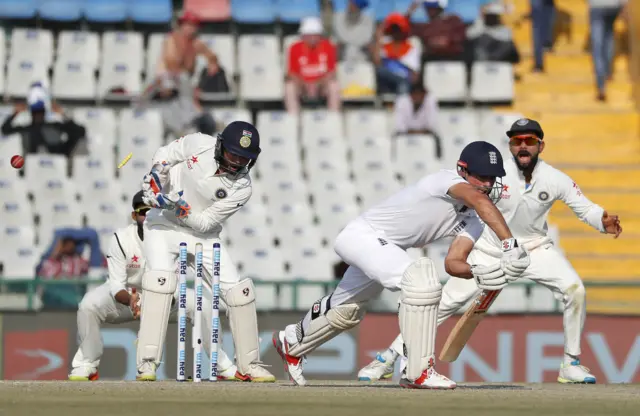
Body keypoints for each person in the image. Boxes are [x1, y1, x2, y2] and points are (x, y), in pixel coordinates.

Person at [358, 118, 623, 384]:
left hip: (534, 248)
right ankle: (387, 359)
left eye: (529, 141)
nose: (522, 146)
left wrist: (602, 221)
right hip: (489, 250)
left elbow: (585, 208)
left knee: (575, 289)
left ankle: (571, 363)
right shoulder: (495, 174)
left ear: (540, 146)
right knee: (441, 305)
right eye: (516, 141)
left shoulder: (555, 179)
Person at [272, 141, 531, 389]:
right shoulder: (447, 181)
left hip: (386, 248)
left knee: (347, 310)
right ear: (462, 171)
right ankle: (417, 370)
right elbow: (481, 201)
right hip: (363, 235)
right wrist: (509, 244)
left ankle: (292, 342)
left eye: (492, 178)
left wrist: (480, 272)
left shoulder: (474, 218)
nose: (487, 184)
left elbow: (453, 263)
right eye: (481, 177)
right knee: (421, 283)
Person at [136, 122, 275, 383]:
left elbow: (206, 223)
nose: (236, 162)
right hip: (162, 227)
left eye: (244, 158)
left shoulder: (242, 187)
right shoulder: (200, 143)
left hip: (203, 236)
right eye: (233, 154)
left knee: (239, 293)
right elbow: (166, 153)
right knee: (160, 283)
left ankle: (250, 364)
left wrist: (175, 206)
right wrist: (157, 176)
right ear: (221, 146)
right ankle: (147, 363)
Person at [67, 192, 239, 381]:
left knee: (203, 306)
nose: (148, 216)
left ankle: (220, 364)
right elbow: (116, 285)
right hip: (125, 298)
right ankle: (87, 363)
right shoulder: (121, 238)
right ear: (134, 216)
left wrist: (151, 302)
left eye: (153, 211)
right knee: (88, 305)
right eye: (143, 212)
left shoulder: (174, 238)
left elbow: (174, 284)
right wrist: (131, 300)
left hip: (164, 297)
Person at [1, 83, 86, 156]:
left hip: (56, 161)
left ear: (45, 112)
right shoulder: (27, 129)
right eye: (35, 112)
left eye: (41, 112)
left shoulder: (55, 126)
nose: (38, 115)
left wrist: (63, 114)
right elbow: (5, 129)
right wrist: (15, 113)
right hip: (32, 166)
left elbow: (80, 132)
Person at [285, 17, 341, 113]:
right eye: (308, 35)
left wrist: (318, 84)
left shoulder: (329, 46)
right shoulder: (295, 48)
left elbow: (332, 72)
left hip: (322, 86)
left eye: (315, 35)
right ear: (303, 35)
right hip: (302, 85)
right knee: (289, 87)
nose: (312, 38)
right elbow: (292, 73)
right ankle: (294, 118)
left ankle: (333, 117)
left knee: (334, 86)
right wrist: (304, 84)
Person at [588, 0, 628, 101]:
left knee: (598, 45)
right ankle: (607, 70)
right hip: (613, 5)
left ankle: (601, 85)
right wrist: (624, 4)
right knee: (609, 36)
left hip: (597, 5)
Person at [372, 13, 421, 95]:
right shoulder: (384, 44)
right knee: (380, 71)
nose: (396, 32)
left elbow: (415, 74)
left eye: (398, 29)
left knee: (403, 85)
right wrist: (378, 39)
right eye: (393, 29)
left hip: (405, 81)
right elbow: (377, 63)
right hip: (386, 80)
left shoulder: (412, 47)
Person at [393, 82, 442, 158]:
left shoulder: (430, 101)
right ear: (410, 95)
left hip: (425, 134)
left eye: (420, 95)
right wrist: (416, 132)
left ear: (424, 95)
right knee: (394, 138)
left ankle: (436, 162)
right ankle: (395, 162)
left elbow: (432, 125)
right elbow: (400, 126)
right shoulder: (402, 101)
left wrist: (417, 132)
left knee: (436, 139)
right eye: (415, 95)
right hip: (406, 134)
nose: (418, 97)